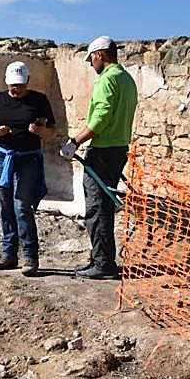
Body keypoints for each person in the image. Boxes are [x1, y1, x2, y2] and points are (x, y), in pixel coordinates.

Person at [59, 36, 138, 280]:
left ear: (100, 55)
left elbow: (100, 118)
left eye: (91, 58)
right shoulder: (126, 78)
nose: (92, 64)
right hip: (118, 147)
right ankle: (99, 258)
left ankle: (103, 263)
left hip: (103, 149)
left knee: (97, 207)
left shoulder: (108, 79)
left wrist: (75, 142)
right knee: (102, 205)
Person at [0, 61, 56, 276]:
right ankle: (8, 254)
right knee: (5, 205)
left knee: (22, 206)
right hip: (2, 158)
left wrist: (39, 130)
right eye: (12, 85)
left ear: (27, 82)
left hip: (28, 159)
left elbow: (52, 132)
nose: (16, 89)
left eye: (20, 85)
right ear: (6, 82)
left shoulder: (39, 100)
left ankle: (30, 256)